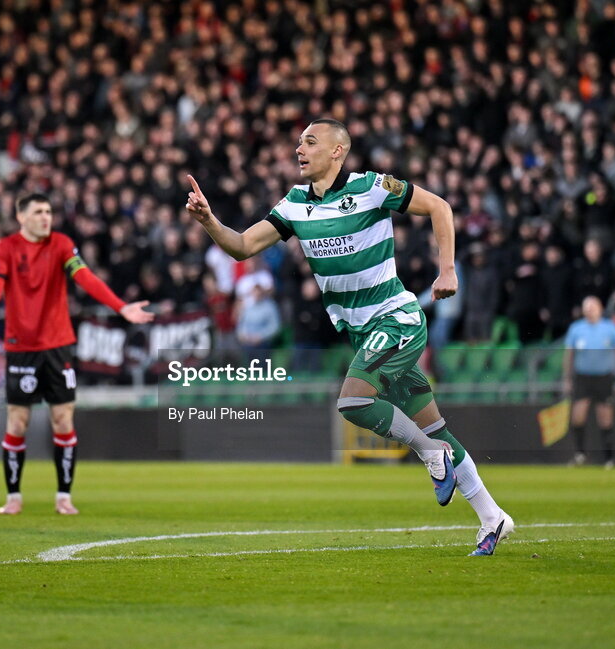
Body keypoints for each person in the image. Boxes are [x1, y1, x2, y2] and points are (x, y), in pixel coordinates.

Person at [185, 118, 513, 556]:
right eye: (298, 141)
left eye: (310, 141)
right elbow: (243, 245)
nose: (299, 148)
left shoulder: (374, 187)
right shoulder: (295, 204)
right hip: (364, 336)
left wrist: (448, 268)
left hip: (397, 321)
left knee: (354, 401)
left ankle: (429, 455)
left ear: (337, 151)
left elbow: (440, 207)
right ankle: (493, 517)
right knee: (436, 427)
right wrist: (209, 221)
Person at [0, 193, 153, 516]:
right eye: (38, 212)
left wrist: (120, 306)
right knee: (18, 421)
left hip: (57, 346)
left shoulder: (63, 245)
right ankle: (13, 496)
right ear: (20, 216)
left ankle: (63, 496)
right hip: (21, 347)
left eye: (49, 211)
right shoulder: (5, 248)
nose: (45, 217)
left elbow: (85, 278)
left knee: (63, 419)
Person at [562, 295, 615, 469]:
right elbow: (569, 355)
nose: (589, 310)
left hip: (604, 377)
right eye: (586, 307)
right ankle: (580, 455)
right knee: (577, 416)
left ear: (600, 308)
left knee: (605, 419)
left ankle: (609, 458)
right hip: (583, 378)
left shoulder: (610, 328)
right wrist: (567, 378)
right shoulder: (576, 329)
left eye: (592, 306)